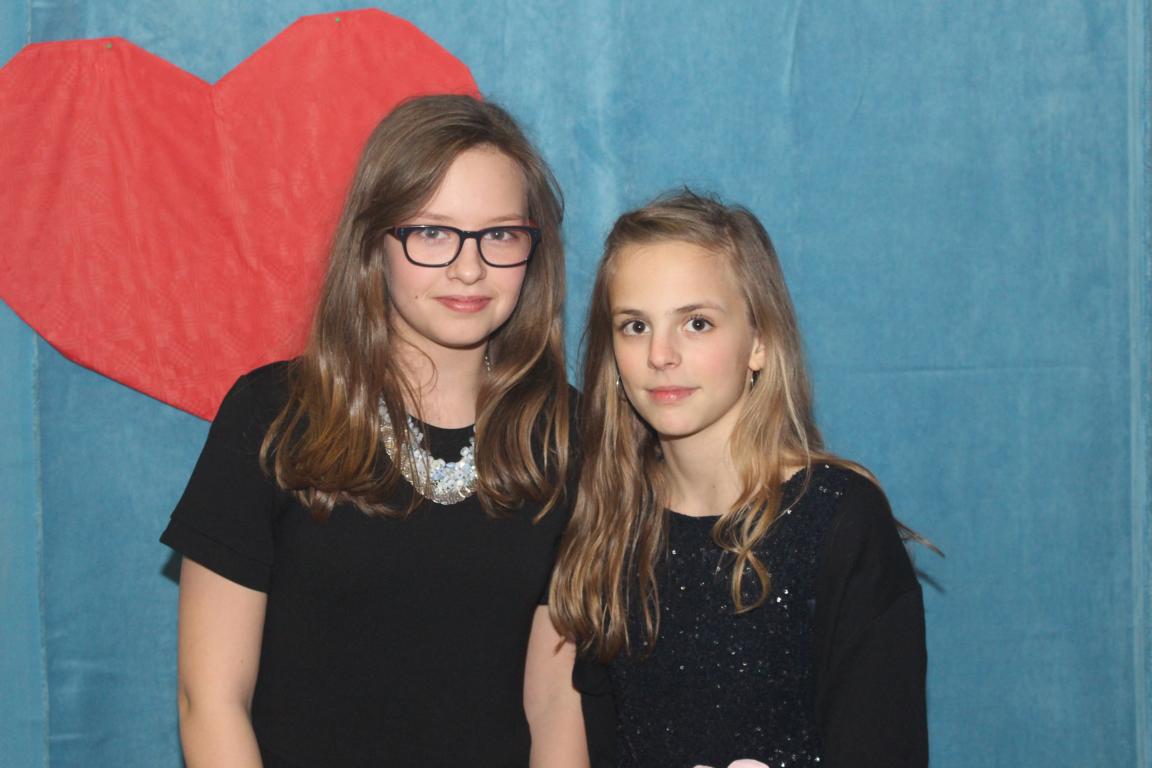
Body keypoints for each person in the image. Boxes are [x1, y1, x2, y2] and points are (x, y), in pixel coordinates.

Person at [161, 95, 587, 767]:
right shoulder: (273, 415)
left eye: (501, 234)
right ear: (374, 242)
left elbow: (556, 702)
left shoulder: (569, 436)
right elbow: (209, 701)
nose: (469, 268)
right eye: (432, 232)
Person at [550, 190, 928, 767]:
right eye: (635, 325)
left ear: (760, 341)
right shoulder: (606, 518)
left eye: (696, 323)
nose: (660, 355)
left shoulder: (839, 521)